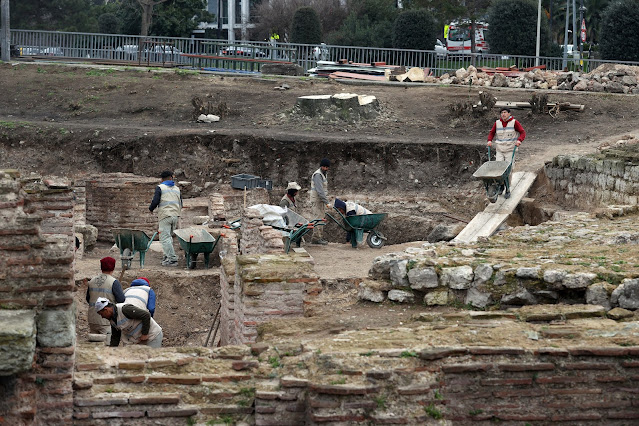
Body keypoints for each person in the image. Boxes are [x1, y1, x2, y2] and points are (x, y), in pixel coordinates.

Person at [487, 107, 526, 198]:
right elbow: (492, 133)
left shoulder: (514, 123)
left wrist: (519, 140)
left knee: (508, 170)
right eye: (502, 113)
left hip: (510, 150)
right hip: (500, 150)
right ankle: (501, 186)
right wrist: (489, 140)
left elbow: (522, 132)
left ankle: (507, 189)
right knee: (499, 169)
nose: (503, 114)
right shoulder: (497, 123)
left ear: (509, 113)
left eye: (505, 112)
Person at [94, 296, 163, 348]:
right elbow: (115, 336)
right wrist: (111, 350)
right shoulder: (112, 320)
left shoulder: (125, 309)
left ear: (106, 309)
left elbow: (146, 315)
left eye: (101, 314)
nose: (102, 317)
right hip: (138, 340)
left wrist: (144, 334)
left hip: (152, 335)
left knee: (152, 360)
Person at [85, 257, 125, 341]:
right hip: (106, 320)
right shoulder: (114, 282)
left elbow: (88, 299)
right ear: (113, 267)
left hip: (92, 318)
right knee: (106, 345)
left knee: (94, 345)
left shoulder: (92, 281)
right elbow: (121, 300)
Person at [149, 170, 182, 267]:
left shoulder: (160, 187)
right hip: (175, 215)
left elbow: (155, 201)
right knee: (169, 237)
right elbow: (181, 202)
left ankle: (172, 259)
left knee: (165, 238)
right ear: (171, 177)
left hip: (165, 215)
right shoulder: (177, 188)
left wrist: (151, 209)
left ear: (162, 179)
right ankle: (167, 256)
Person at [310, 159, 331, 245]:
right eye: (324, 167)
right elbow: (320, 190)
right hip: (317, 200)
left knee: (321, 219)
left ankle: (319, 237)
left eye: (327, 167)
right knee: (318, 219)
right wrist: (326, 202)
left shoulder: (323, 174)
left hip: (321, 200)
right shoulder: (318, 175)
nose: (326, 168)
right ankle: (316, 239)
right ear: (321, 166)